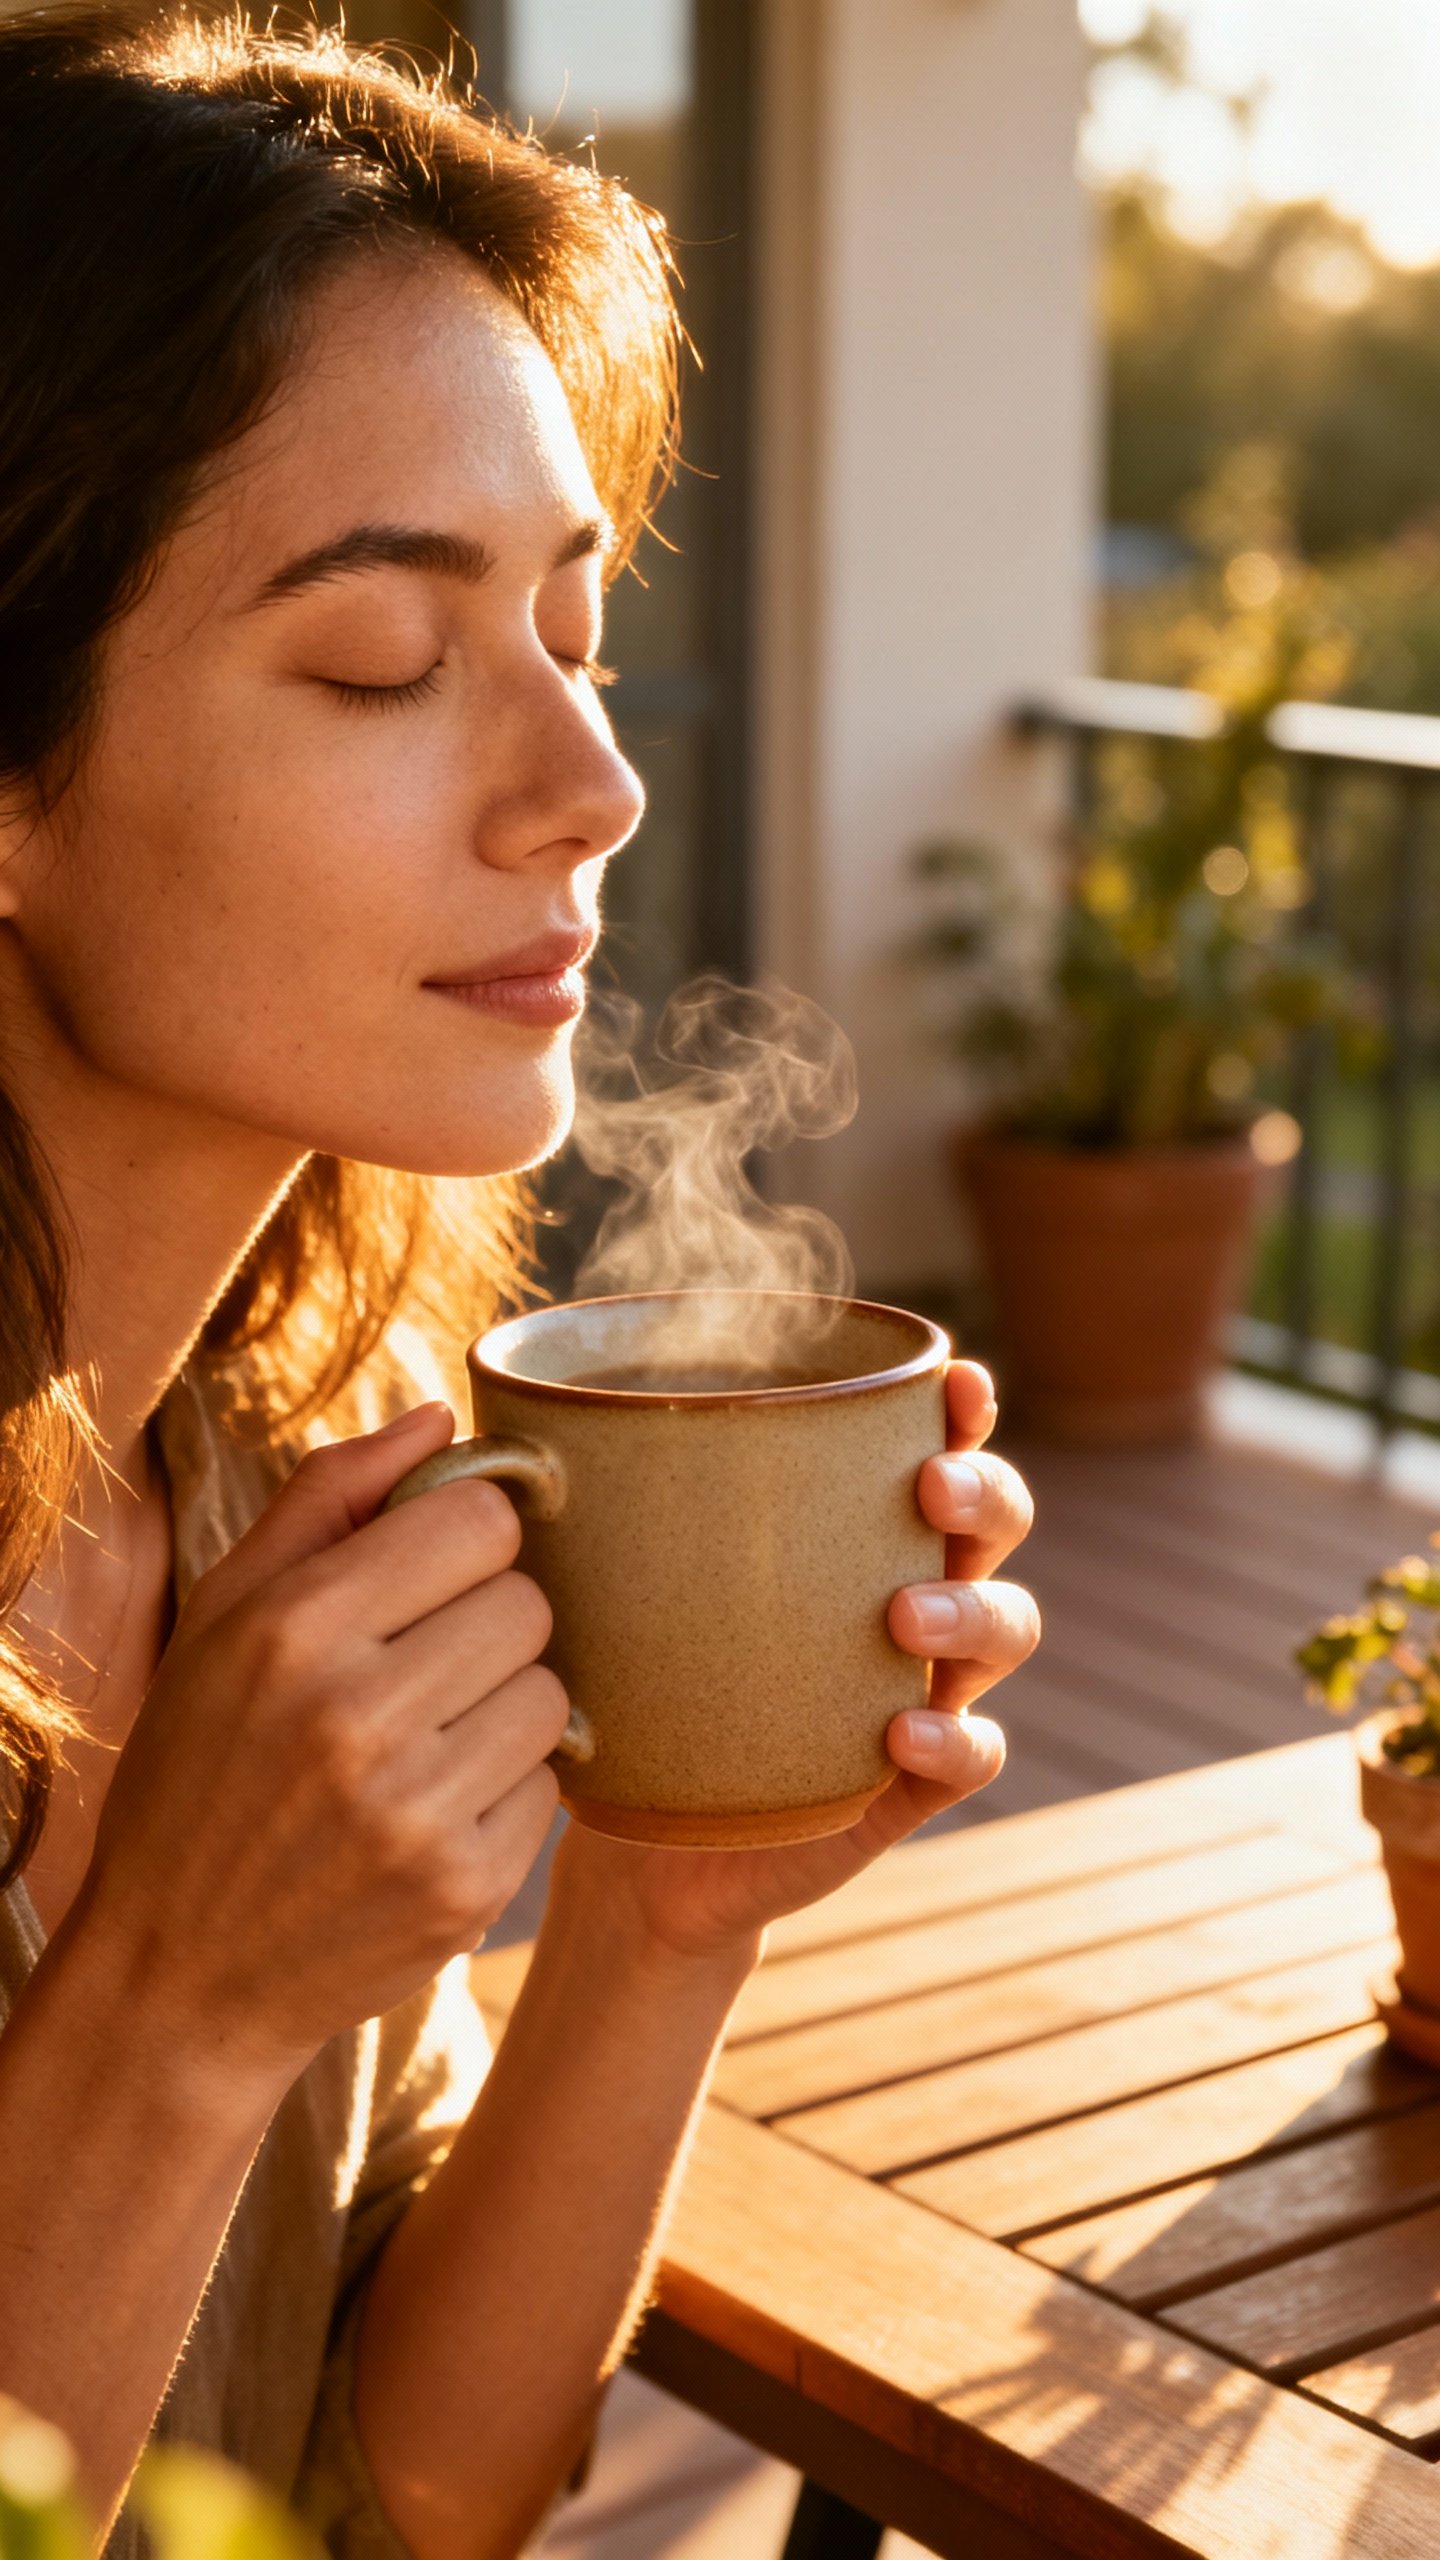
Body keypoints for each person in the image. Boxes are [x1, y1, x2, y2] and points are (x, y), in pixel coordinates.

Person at [0, 11, 1039, 2557]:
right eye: (382, 659)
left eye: (575, 628)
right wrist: (168, 2004)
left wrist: (667, 1911)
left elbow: (418, 2474)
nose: (593, 778)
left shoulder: (286, 1474)